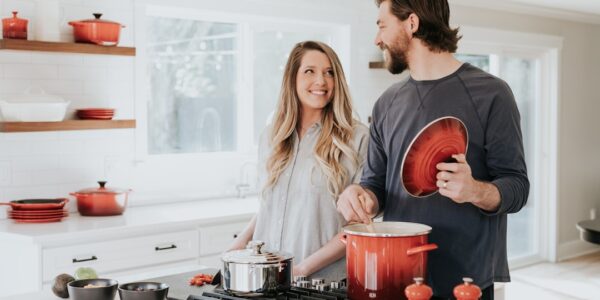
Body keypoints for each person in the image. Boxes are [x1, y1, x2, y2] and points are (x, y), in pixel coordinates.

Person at [337, 1, 529, 299]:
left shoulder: (492, 93)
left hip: (464, 284)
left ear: (411, 23)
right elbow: (375, 186)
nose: (377, 39)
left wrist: (474, 190)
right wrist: (359, 196)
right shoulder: (386, 103)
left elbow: (517, 187)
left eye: (382, 25)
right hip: (397, 276)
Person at [228, 41, 369, 281]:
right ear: (292, 79)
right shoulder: (272, 136)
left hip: (324, 284)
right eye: (310, 71)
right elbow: (271, 206)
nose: (321, 81)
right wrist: (237, 247)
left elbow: (360, 227)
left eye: (329, 73)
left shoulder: (356, 138)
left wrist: (301, 269)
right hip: (268, 282)